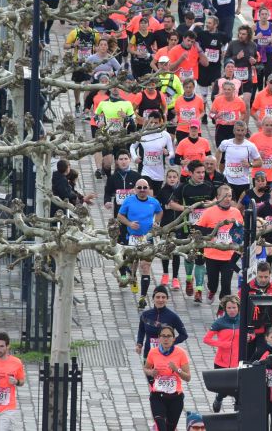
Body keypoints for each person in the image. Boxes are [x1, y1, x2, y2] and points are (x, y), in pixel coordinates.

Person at [117, 178, 164, 308]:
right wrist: (129, 223)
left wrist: (156, 223)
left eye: (145, 188)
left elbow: (160, 212)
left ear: (148, 189)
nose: (142, 190)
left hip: (147, 238)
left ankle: (143, 297)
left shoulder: (153, 202)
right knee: (133, 263)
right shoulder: (129, 201)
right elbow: (120, 216)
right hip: (132, 237)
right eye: (139, 188)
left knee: (145, 266)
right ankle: (133, 277)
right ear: (135, 189)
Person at [143, 325, 192, 431]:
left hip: (175, 398)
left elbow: (188, 377)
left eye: (169, 336)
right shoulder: (153, 352)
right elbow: (146, 368)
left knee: (170, 428)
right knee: (161, 427)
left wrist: (176, 369)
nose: (166, 339)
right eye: (163, 336)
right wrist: (151, 372)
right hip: (157, 396)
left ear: (173, 339)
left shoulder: (180, 353)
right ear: (159, 338)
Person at [203, 296, 240, 412]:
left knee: (238, 388)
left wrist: (250, 337)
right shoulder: (220, 322)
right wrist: (222, 344)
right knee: (223, 388)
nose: (232, 310)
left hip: (238, 361)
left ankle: (238, 410)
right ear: (225, 309)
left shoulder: (243, 321)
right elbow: (206, 339)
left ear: (238, 308)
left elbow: (252, 333)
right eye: (229, 308)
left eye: (234, 307)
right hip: (221, 361)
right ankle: (219, 398)